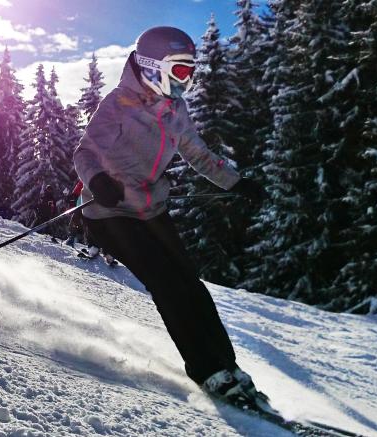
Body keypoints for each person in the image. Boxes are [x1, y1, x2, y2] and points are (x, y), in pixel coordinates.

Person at [73, 26, 268, 407]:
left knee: (191, 285)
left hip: (149, 208)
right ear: (151, 67)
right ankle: (205, 369)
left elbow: (197, 154)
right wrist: (97, 180)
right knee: (167, 284)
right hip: (109, 210)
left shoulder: (175, 109)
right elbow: (85, 153)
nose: (187, 80)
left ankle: (227, 365)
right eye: (180, 71)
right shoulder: (117, 104)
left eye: (190, 72)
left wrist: (236, 183)